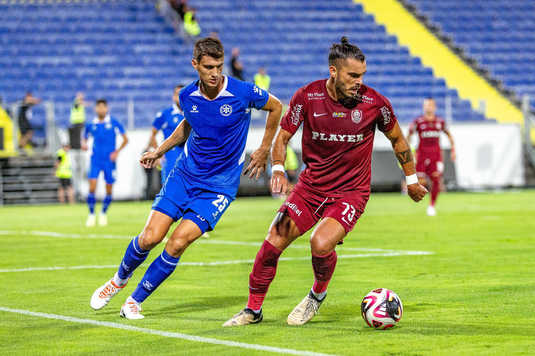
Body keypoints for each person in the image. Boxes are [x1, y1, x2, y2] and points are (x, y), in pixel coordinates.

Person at [223, 37, 428, 327]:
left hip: (350, 193)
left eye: (362, 75)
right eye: (353, 75)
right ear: (334, 71)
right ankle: (252, 310)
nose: (359, 82)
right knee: (272, 242)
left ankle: (316, 296)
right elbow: (283, 136)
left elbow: (397, 138)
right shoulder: (308, 96)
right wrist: (279, 169)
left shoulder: (375, 104)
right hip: (310, 188)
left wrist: (411, 179)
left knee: (320, 244)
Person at [89, 37, 283, 320]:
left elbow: (277, 106)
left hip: (218, 187)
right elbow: (187, 126)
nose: (215, 73)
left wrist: (264, 149)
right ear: (195, 65)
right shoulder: (187, 97)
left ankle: (134, 301)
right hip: (185, 175)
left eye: (218, 66)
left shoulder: (242, 91)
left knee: (177, 243)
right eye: (208, 67)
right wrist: (158, 151)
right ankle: (118, 280)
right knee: (150, 237)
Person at [82, 99, 129, 227]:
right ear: (95, 109)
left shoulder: (114, 122)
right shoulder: (91, 124)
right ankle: (91, 215)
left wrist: (117, 152)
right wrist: (84, 144)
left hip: (109, 160)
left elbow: (126, 139)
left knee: (109, 189)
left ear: (107, 108)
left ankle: (103, 213)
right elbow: (85, 138)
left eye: (103, 107)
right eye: (99, 107)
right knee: (92, 187)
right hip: (95, 159)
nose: (101, 110)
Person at [407, 98, 455, 216]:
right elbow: (409, 135)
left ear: (434, 107)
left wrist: (453, 149)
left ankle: (432, 205)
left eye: (431, 105)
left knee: (436, 180)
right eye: (426, 105)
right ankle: (421, 201)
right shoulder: (418, 121)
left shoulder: (440, 122)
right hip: (422, 155)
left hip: (436, 156)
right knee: (421, 182)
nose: (428, 107)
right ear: (424, 107)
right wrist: (410, 151)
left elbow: (449, 135)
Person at [147, 85, 185, 185]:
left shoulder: (193, 112)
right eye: (178, 94)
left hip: (188, 154)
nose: (180, 97)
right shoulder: (165, 114)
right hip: (170, 154)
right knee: (169, 185)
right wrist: (158, 154)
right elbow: (152, 136)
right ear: (173, 97)